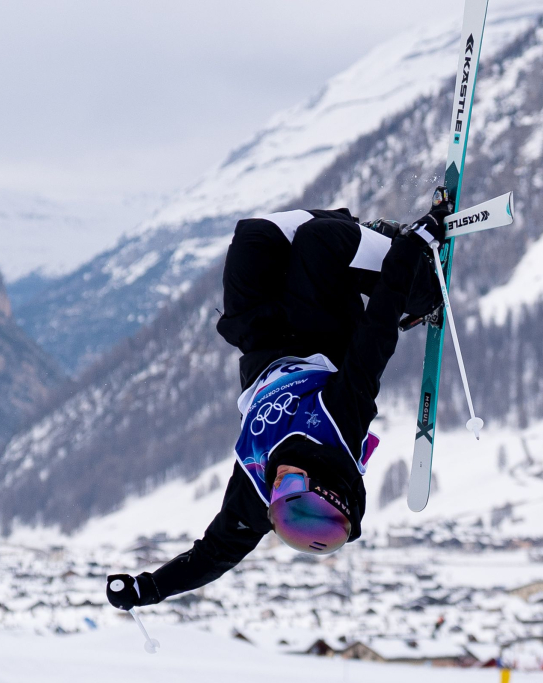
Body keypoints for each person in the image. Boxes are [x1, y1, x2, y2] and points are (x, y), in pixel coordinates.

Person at [105, 200, 448, 611]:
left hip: (263, 344)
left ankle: (354, 229)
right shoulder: (340, 423)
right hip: (324, 333)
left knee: (253, 237)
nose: (279, 479)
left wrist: (149, 589)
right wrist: (412, 249)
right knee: (318, 242)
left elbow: (215, 554)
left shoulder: (257, 484)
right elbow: (377, 332)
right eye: (291, 484)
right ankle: (422, 290)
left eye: (277, 493)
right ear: (327, 482)